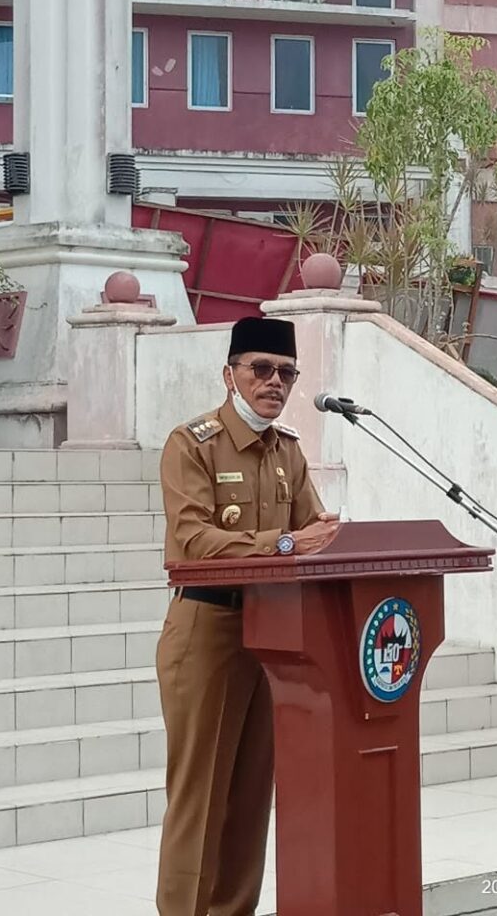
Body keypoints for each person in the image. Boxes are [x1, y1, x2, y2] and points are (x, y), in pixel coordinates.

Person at [156, 316, 340, 916]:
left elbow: (317, 534)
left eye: (286, 373)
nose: (274, 382)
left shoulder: (288, 451)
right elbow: (193, 540)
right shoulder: (193, 444)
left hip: (272, 634)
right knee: (201, 795)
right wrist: (283, 545)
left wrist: (329, 542)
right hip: (206, 631)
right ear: (229, 374)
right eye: (261, 369)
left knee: (251, 793)